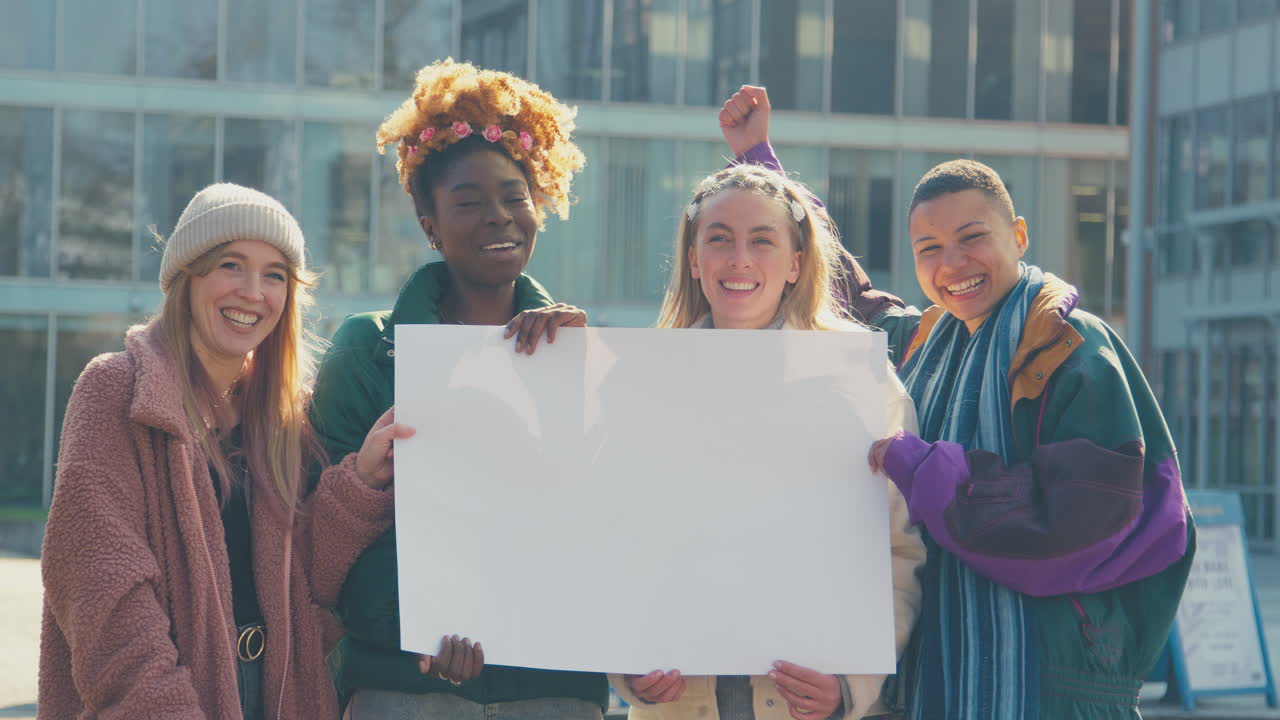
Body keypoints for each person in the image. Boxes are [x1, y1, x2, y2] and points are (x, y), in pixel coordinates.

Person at [38, 183, 409, 719]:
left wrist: (362, 485)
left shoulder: (287, 418)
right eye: (231, 265)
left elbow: (308, 586)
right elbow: (102, 587)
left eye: (274, 274)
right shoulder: (115, 390)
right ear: (187, 277)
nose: (253, 292)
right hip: (163, 697)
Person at [310, 59, 608, 719]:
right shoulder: (368, 350)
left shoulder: (586, 353)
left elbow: (613, 523)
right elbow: (326, 542)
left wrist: (588, 380)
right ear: (429, 224)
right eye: (468, 203)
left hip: (554, 690)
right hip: (405, 690)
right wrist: (422, 624)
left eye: (514, 197)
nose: (497, 218)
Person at [865, 160, 1195, 719]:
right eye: (929, 248)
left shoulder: (1073, 346)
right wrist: (761, 165)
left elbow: (1079, 524)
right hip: (938, 677)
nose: (952, 263)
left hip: (1056, 684)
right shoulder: (926, 342)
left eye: (972, 238)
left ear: (1018, 235)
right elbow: (844, 301)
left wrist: (927, 473)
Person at [607, 162, 927, 720]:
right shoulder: (639, 381)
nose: (740, 260)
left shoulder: (861, 382)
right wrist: (628, 671)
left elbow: (902, 554)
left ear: (796, 263)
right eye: (719, 239)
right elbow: (610, 542)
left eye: (762, 240)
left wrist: (852, 684)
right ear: (693, 257)